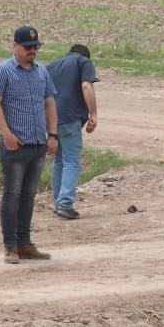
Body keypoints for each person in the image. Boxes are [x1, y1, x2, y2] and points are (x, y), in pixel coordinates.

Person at [0, 25, 59, 264]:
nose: (32, 51)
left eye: (35, 46)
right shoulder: (3, 71)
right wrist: (6, 134)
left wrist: (53, 134)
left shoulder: (42, 72)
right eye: (27, 47)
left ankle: (25, 243)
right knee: (12, 195)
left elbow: (49, 102)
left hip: (38, 143)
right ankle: (10, 246)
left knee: (28, 196)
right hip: (15, 145)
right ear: (15, 46)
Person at [45, 43, 98, 220]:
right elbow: (86, 86)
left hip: (51, 118)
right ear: (85, 55)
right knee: (71, 161)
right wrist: (93, 113)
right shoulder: (83, 62)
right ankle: (66, 204)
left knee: (59, 160)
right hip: (70, 117)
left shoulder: (52, 66)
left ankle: (58, 202)